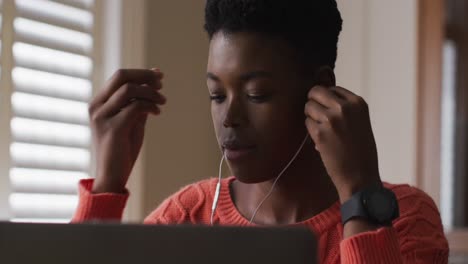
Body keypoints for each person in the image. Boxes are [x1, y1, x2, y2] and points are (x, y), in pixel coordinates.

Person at [73, 0, 449, 262]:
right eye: (216, 95)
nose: (229, 117)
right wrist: (106, 185)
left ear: (320, 90)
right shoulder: (188, 216)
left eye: (257, 94)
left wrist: (361, 198)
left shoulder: (406, 219)